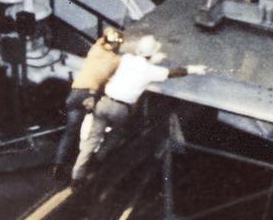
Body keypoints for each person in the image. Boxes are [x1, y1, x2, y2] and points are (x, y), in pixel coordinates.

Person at [71, 34, 205, 183]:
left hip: (104, 102)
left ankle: (77, 176)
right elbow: (174, 73)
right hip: (121, 109)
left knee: (91, 139)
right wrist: (193, 69)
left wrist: (152, 58)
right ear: (151, 54)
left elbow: (136, 61)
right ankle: (100, 157)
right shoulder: (150, 71)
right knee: (118, 132)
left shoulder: (127, 59)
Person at [51, 26, 124, 180]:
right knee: (97, 127)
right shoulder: (116, 60)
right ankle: (90, 162)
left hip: (75, 92)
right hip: (90, 95)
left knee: (70, 131)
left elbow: (104, 36)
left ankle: (58, 166)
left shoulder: (95, 49)